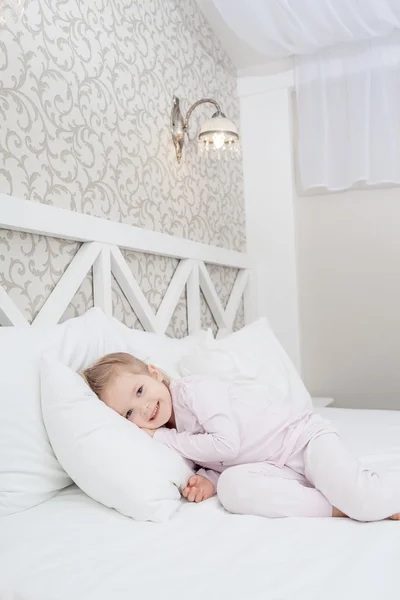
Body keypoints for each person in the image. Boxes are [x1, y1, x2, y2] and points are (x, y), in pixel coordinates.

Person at [83, 352, 400, 521]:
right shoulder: (172, 430)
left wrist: (163, 440)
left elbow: (226, 443)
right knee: (232, 490)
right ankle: (337, 508)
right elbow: (222, 460)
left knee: (365, 498)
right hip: (273, 466)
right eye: (128, 413)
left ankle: (364, 500)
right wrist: (209, 478)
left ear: (153, 373)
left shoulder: (193, 391)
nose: (144, 407)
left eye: (140, 391)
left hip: (303, 441)